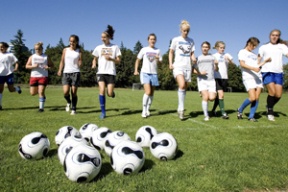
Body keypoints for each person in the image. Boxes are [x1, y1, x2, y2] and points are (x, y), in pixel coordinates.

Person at [237, 37, 271, 122]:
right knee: (252, 98)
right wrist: (253, 68)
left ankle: (251, 117)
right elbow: (242, 64)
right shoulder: (242, 52)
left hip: (258, 77)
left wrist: (265, 61)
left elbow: (258, 65)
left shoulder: (254, 55)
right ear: (248, 43)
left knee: (256, 98)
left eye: (256, 46)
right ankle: (240, 109)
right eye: (253, 45)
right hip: (248, 76)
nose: (254, 47)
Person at [92, 25, 121, 119]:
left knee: (109, 93)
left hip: (111, 72)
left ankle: (112, 93)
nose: (102, 39)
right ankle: (103, 113)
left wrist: (111, 59)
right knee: (101, 91)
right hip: (101, 72)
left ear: (109, 37)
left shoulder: (115, 47)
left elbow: (118, 60)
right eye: (101, 37)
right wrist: (93, 64)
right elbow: (94, 58)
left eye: (104, 37)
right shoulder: (98, 48)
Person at [258, 29, 288, 121]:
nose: (274, 37)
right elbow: (258, 59)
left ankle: (269, 106)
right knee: (272, 92)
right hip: (267, 71)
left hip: (278, 72)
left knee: (278, 95)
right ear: (269, 36)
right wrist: (259, 65)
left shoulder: (282, 46)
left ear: (279, 37)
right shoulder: (264, 47)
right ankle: (270, 112)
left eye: (277, 35)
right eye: (273, 35)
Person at [169, 20, 196, 120]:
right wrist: (171, 63)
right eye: (184, 31)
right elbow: (171, 52)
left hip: (187, 67)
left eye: (187, 31)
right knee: (182, 85)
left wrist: (193, 58)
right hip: (178, 66)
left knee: (184, 88)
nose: (186, 33)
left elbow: (192, 53)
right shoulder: (176, 40)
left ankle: (180, 107)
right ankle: (181, 109)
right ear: (181, 30)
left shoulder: (191, 40)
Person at [134, 33, 162, 118]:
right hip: (145, 72)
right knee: (148, 92)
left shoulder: (158, 50)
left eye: (154, 39)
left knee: (152, 93)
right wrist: (136, 70)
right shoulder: (144, 49)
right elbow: (138, 60)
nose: (152, 40)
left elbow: (160, 63)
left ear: (155, 40)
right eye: (151, 39)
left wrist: (158, 59)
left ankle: (148, 109)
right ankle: (143, 110)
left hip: (154, 73)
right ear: (148, 40)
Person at [57, 35, 82, 115]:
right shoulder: (65, 50)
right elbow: (62, 61)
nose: (72, 43)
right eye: (70, 41)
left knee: (74, 92)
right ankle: (68, 102)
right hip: (66, 72)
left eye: (73, 41)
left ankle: (74, 109)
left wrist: (80, 63)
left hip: (75, 72)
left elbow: (80, 61)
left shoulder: (79, 51)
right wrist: (60, 70)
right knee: (66, 92)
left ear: (76, 42)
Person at [25, 42, 54, 112]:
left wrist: (48, 67)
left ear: (42, 49)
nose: (37, 50)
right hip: (34, 76)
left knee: (41, 91)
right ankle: (42, 95)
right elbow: (26, 66)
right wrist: (33, 66)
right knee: (33, 93)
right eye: (36, 49)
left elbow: (52, 65)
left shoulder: (46, 57)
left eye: (39, 49)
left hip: (43, 76)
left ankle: (41, 108)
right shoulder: (32, 57)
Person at [193, 41, 217, 121]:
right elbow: (192, 70)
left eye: (206, 47)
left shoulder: (212, 57)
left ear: (209, 48)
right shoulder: (198, 58)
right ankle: (206, 115)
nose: (205, 48)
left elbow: (216, 69)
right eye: (203, 47)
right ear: (201, 48)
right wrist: (200, 73)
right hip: (202, 80)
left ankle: (204, 94)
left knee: (212, 98)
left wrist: (216, 64)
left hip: (211, 80)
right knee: (206, 97)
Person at [211, 41, 233, 119]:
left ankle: (213, 110)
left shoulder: (227, 55)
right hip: (217, 77)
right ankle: (223, 113)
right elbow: (213, 67)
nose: (222, 49)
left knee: (219, 96)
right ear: (217, 48)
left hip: (225, 77)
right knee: (221, 94)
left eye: (223, 48)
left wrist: (229, 60)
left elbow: (232, 64)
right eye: (221, 48)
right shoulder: (214, 56)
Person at [0, 42, 22, 110]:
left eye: (2, 47)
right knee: (0, 90)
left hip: (9, 73)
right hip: (0, 74)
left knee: (11, 89)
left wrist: (16, 68)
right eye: (0, 47)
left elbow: (17, 62)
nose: (1, 48)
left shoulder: (10, 54)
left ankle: (17, 88)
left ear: (6, 47)